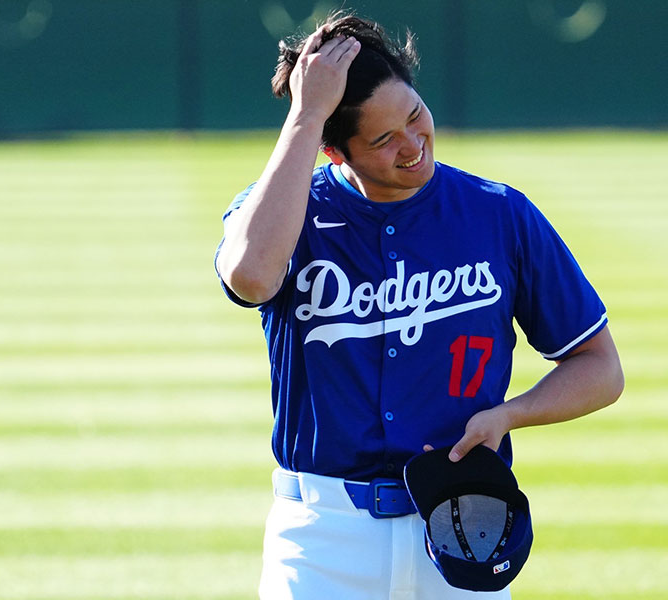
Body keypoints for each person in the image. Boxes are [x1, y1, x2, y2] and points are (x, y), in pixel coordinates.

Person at [215, 12, 624, 600]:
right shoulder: (280, 213)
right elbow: (251, 277)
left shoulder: (498, 213)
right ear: (335, 151)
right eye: (383, 140)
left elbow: (601, 368)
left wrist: (511, 414)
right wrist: (305, 115)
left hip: (463, 528)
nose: (413, 145)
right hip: (323, 537)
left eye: (415, 116)